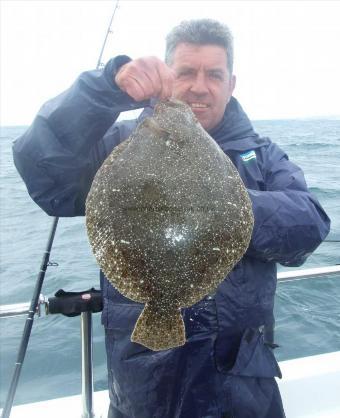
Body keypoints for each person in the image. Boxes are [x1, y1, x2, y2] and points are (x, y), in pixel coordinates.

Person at [13, 19, 330, 418]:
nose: (200, 86)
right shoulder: (119, 145)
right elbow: (43, 171)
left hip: (242, 389)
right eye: (186, 72)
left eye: (213, 74)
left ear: (231, 84)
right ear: (165, 77)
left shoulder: (263, 157)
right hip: (145, 389)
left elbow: (310, 225)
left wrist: (221, 204)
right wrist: (106, 89)